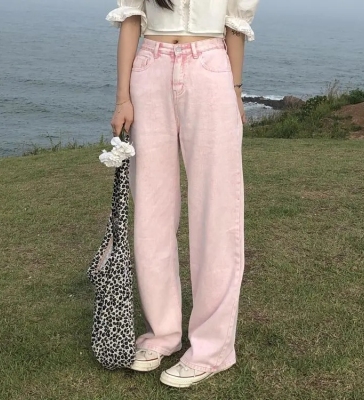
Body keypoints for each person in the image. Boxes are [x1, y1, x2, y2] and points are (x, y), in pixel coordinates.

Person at [107, 0, 259, 388]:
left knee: (217, 211)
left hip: (209, 68)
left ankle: (212, 348)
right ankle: (162, 334)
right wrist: (122, 97)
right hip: (149, 68)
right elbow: (131, 20)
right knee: (151, 213)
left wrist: (235, 89)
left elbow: (234, 25)